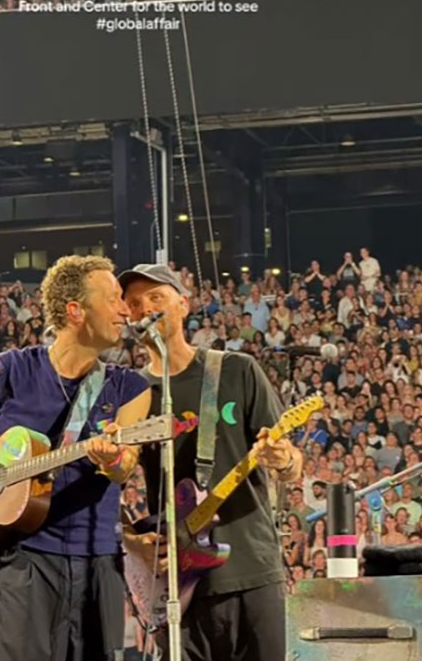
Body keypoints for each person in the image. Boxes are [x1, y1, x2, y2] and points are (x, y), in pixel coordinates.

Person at [0, 256, 151, 661]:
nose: (125, 310)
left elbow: (126, 466)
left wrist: (110, 459)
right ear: (75, 310)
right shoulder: (13, 369)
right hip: (21, 561)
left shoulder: (129, 387)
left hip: (98, 564)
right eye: (113, 299)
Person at [120, 263, 302, 661]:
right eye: (134, 304)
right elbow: (103, 490)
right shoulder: (131, 394)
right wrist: (132, 543)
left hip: (250, 570)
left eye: (156, 298)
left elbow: (292, 465)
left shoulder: (235, 370)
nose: (145, 308)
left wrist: (282, 456)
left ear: (183, 304)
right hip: (178, 582)